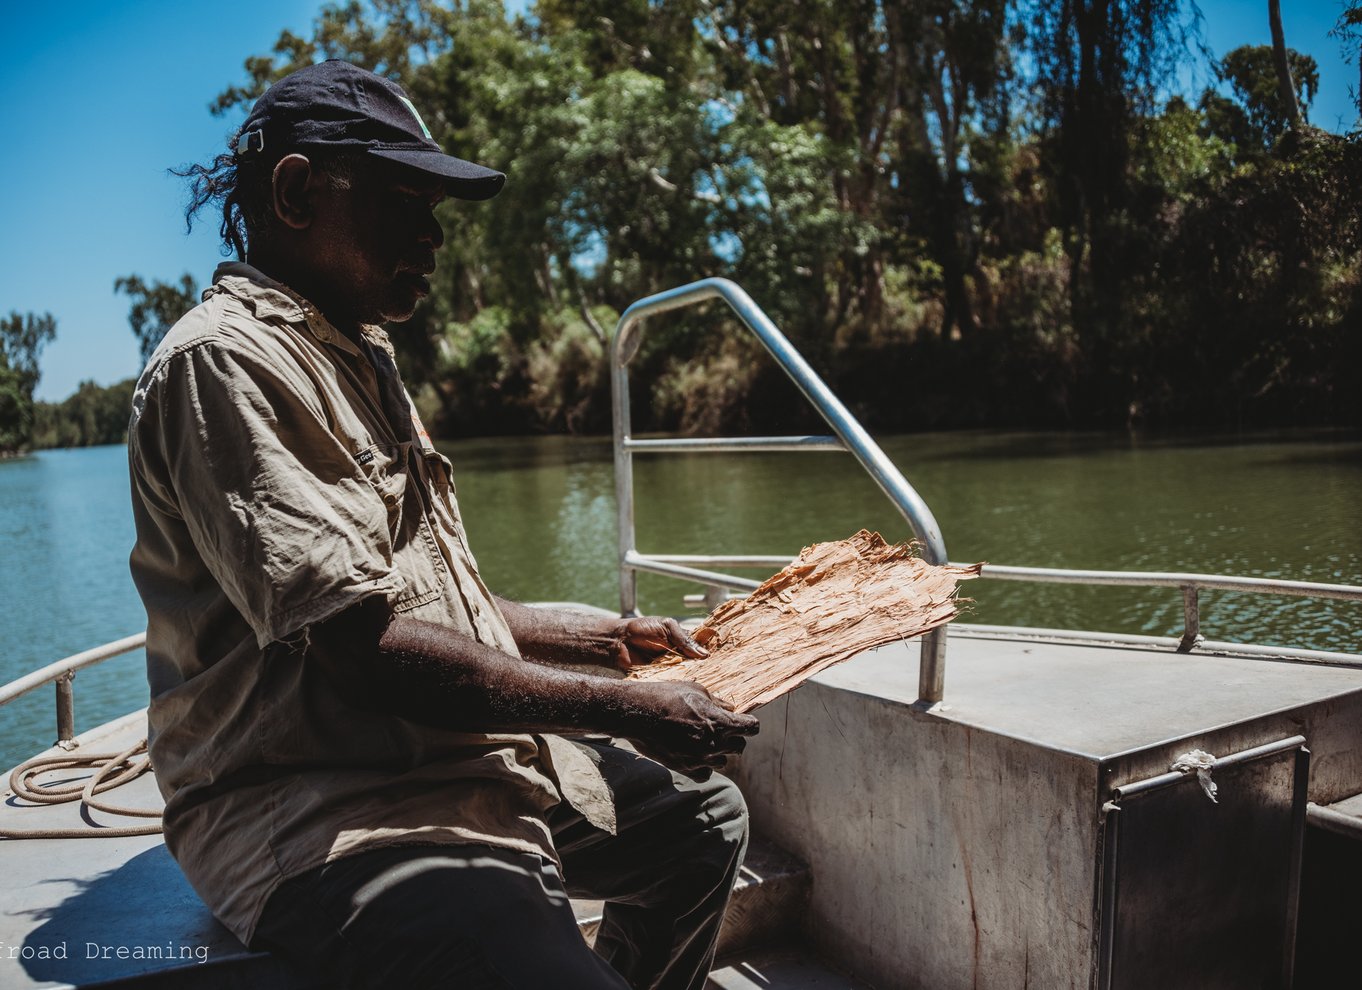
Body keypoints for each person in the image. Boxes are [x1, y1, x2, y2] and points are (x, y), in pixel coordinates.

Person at [128, 59, 758, 990]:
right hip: (329, 806)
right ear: (297, 191)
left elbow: (441, 602)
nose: (431, 237)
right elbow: (363, 645)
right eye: (402, 202)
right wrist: (621, 708)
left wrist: (612, 641)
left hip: (454, 760)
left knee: (708, 823)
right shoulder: (228, 362)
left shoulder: (358, 350)